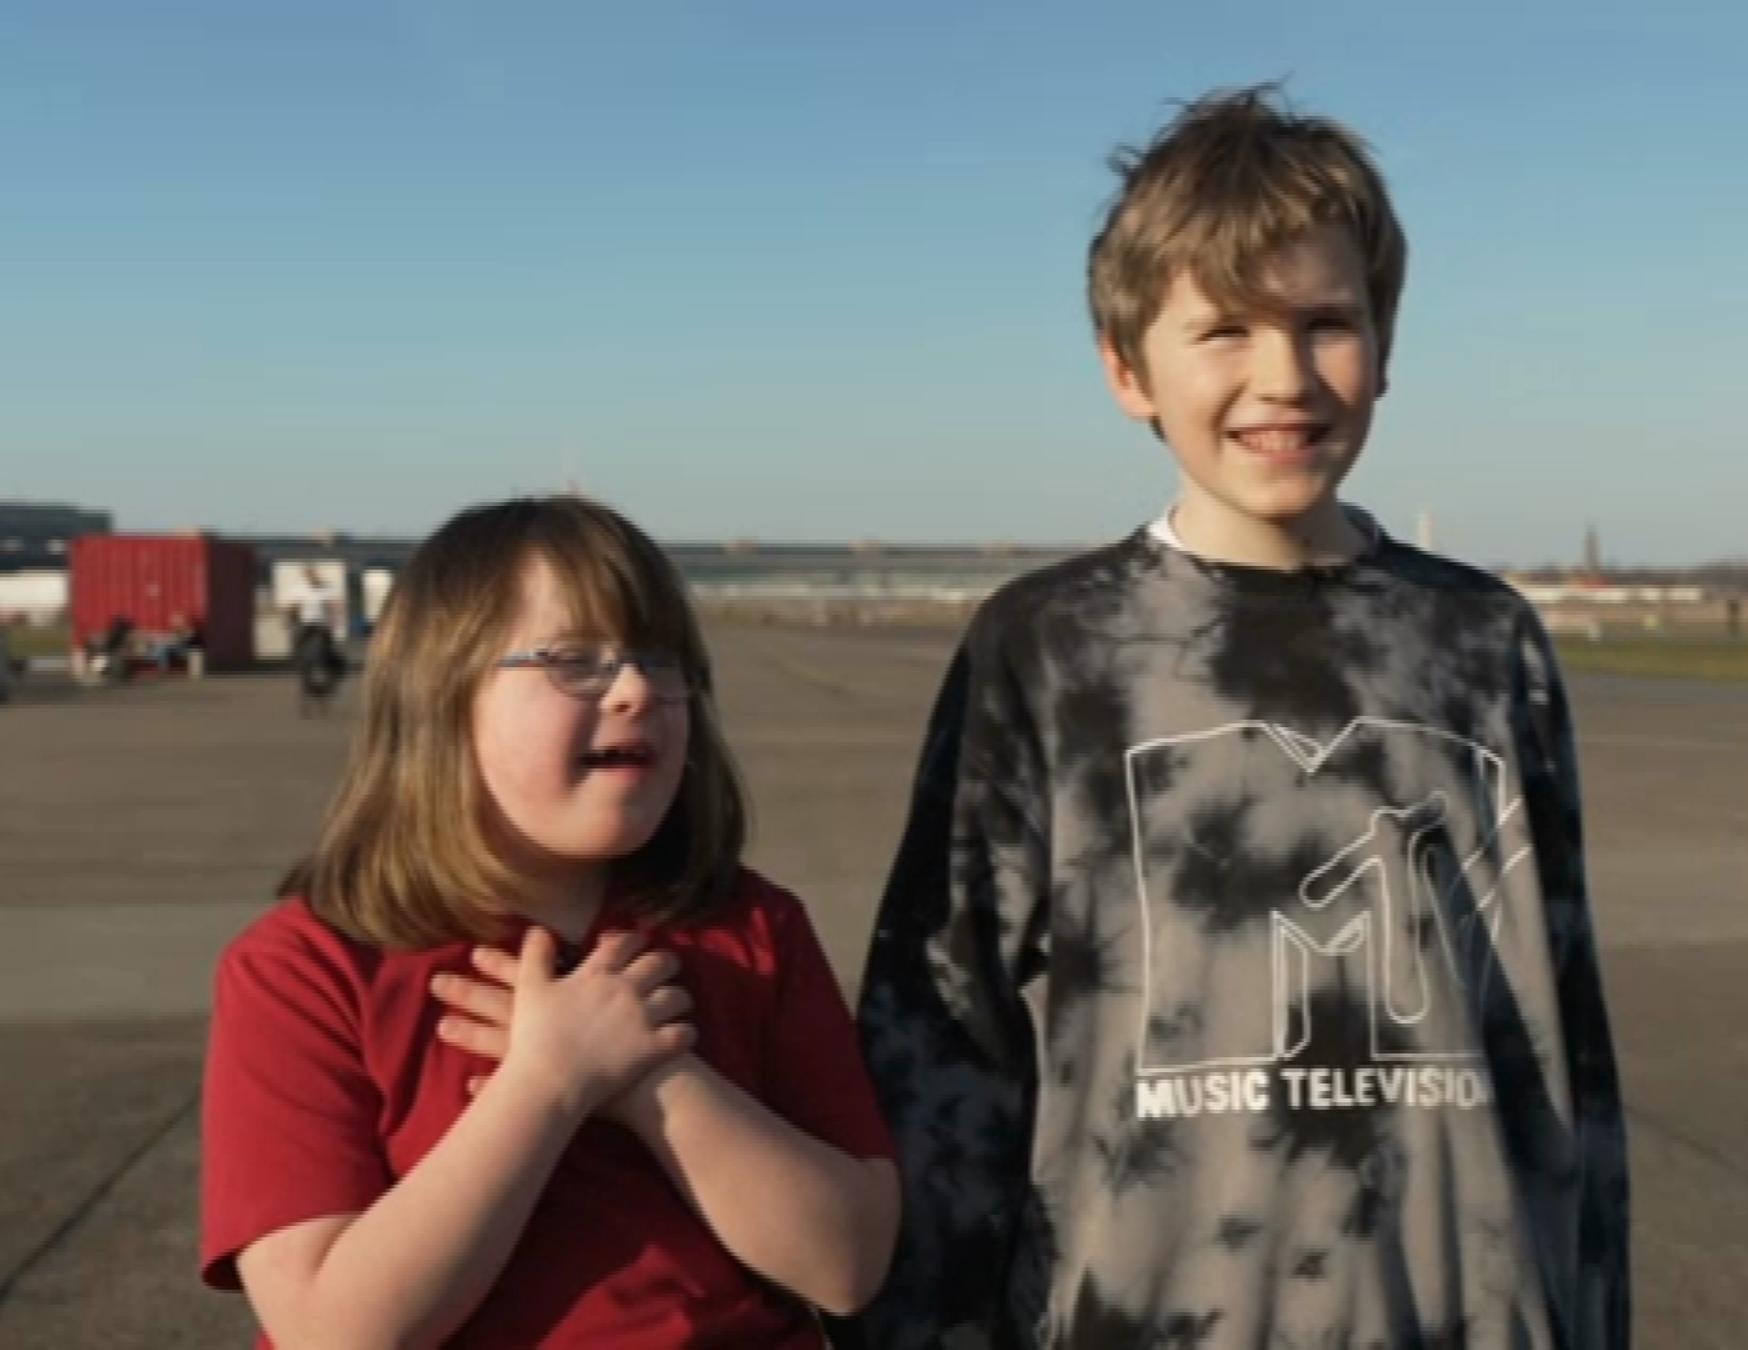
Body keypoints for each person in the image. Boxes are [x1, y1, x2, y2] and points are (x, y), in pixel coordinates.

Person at [830, 86, 1628, 1349]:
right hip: (1149, 1311)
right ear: (1126, 366)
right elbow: (941, 1031)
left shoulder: (1487, 642)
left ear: (1386, 340)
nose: (1285, 377)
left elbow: (1561, 1032)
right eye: (1227, 331)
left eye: (1328, 323)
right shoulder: (1050, 645)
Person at [201, 495, 899, 1348]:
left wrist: (653, 1084)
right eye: (575, 661)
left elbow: (848, 1261)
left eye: (662, 659)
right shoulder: (306, 967)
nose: (638, 689)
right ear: (439, 696)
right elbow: (330, 1331)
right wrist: (547, 1083)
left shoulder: (751, 930)